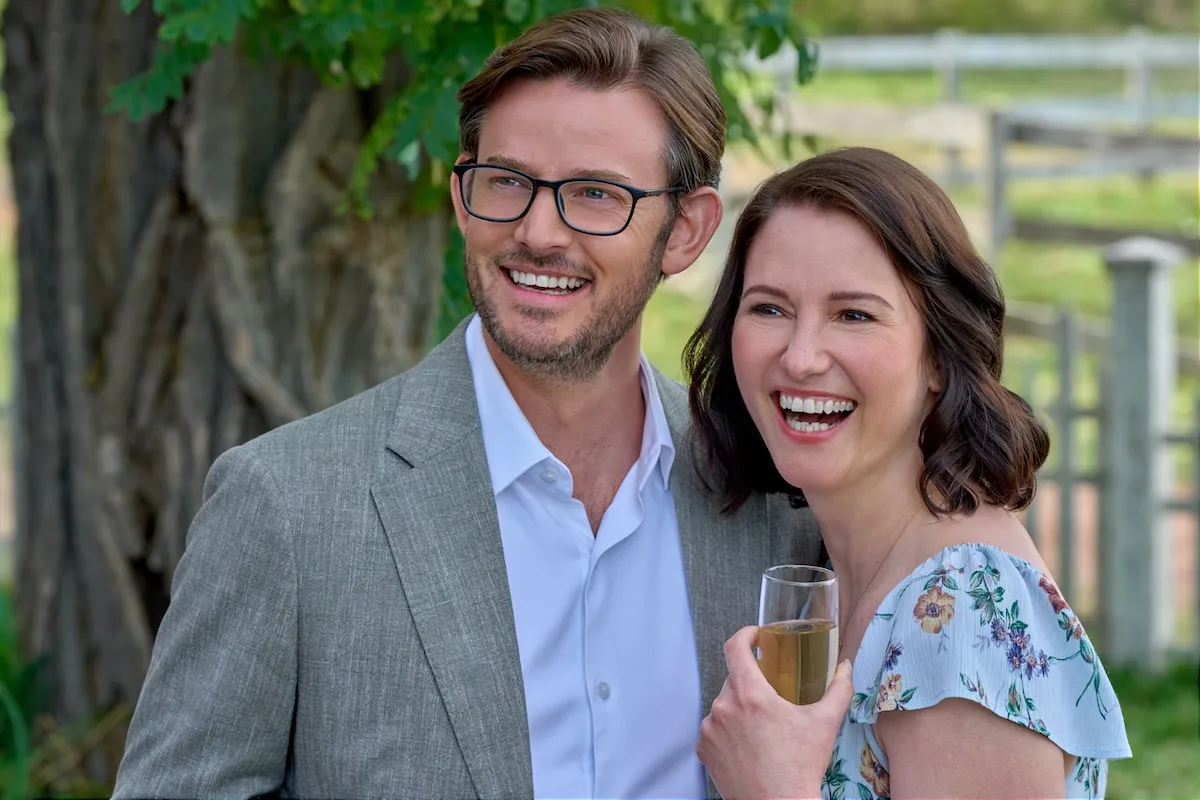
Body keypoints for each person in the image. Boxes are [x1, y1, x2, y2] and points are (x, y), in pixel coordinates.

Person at [112, 8, 822, 800]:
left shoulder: (773, 499)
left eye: (594, 194)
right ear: (460, 195)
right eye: (507, 183)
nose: (537, 231)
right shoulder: (287, 507)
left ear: (686, 231)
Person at [685, 147, 1131, 799]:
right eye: (770, 308)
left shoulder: (962, 618)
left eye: (854, 314)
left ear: (940, 359)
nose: (801, 357)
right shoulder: (832, 562)